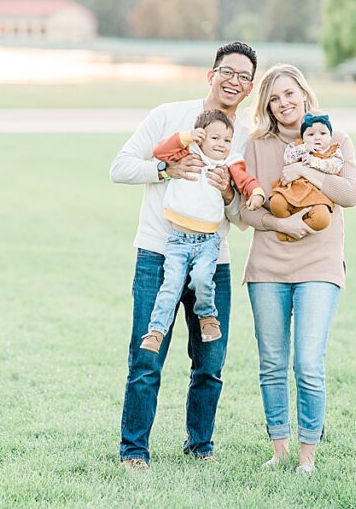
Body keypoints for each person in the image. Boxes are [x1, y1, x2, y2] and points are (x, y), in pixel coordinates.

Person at [110, 41, 258, 469]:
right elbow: (120, 167)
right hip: (158, 254)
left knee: (210, 362)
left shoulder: (245, 138)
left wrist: (230, 194)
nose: (234, 81)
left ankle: (200, 446)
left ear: (249, 87)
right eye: (227, 72)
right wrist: (165, 169)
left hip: (214, 260)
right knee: (146, 357)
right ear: (211, 75)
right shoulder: (168, 116)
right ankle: (134, 450)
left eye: (243, 77)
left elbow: (243, 218)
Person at [238, 64, 356, 475]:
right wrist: (279, 223)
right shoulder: (257, 145)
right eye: (274, 98)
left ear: (305, 93)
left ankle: (308, 456)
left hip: (319, 266)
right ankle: (280, 451)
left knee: (308, 362)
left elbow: (350, 194)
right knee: (272, 363)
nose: (283, 103)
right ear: (267, 106)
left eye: (289, 93)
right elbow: (242, 210)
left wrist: (307, 169)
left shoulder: (335, 140)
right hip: (268, 267)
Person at [140, 109, 266, 353]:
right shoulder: (188, 153)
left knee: (202, 280)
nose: (222, 144)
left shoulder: (230, 162)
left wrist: (257, 193)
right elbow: (160, 153)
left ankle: (207, 317)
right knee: (171, 286)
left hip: (208, 241)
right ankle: (156, 332)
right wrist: (186, 136)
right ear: (201, 139)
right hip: (177, 240)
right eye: (215, 138)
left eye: (227, 140)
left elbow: (245, 180)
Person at [268, 112, 345, 243]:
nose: (317, 138)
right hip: (294, 190)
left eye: (323, 133)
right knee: (276, 203)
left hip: (317, 196)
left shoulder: (333, 152)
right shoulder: (299, 147)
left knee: (322, 219)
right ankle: (287, 225)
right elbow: (288, 158)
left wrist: (313, 162)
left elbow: (334, 167)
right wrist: (304, 148)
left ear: (330, 136)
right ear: (303, 137)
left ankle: (293, 234)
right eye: (311, 134)